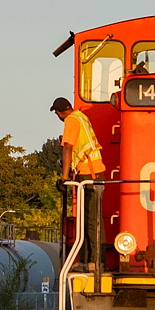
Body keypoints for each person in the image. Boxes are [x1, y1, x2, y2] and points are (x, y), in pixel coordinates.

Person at [51, 97, 104, 267]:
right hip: (93, 171)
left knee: (90, 219)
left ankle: (96, 262)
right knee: (90, 217)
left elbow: (68, 148)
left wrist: (64, 177)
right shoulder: (81, 116)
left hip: (89, 173)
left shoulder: (71, 120)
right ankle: (88, 260)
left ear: (59, 113)